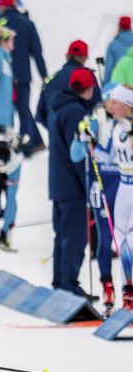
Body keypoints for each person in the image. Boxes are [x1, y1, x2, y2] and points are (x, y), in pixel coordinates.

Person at [75, 85, 133, 312]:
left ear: (127, 105)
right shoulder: (117, 127)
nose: (110, 105)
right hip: (122, 191)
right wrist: (89, 140)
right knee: (121, 242)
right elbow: (104, 154)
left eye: (115, 102)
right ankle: (127, 296)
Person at [48, 67, 97, 298]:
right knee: (75, 237)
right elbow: (77, 155)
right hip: (71, 186)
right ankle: (68, 285)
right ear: (88, 90)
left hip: (59, 184)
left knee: (63, 235)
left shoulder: (60, 108)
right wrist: (90, 184)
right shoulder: (75, 112)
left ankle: (61, 282)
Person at [0, 0, 47, 156]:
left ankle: (6, 146)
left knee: (5, 111)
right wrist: (44, 75)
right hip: (23, 75)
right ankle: (28, 147)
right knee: (24, 110)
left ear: (2, 7)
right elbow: (37, 52)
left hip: (4, 76)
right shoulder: (28, 23)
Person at [36, 40, 101, 133]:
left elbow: (40, 115)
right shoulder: (86, 76)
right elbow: (97, 106)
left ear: (67, 55)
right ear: (84, 57)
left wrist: (56, 130)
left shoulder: (51, 79)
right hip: (82, 138)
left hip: (56, 142)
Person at [105, 17, 133, 84]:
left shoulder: (113, 45)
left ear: (119, 28)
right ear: (130, 28)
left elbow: (108, 69)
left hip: (119, 87)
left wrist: (105, 87)